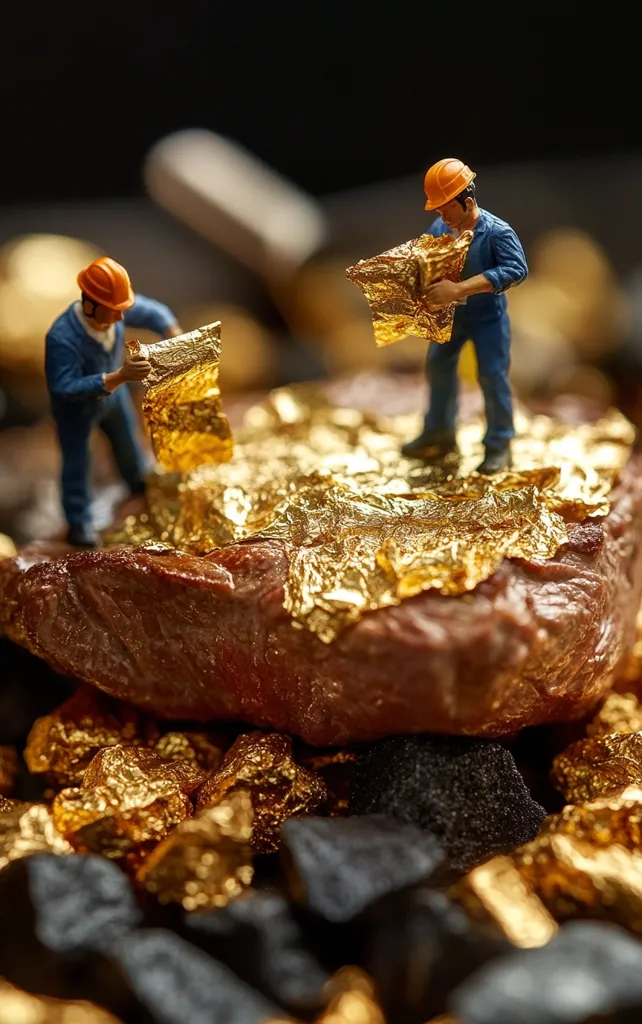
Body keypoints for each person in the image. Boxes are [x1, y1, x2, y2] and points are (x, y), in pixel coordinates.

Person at [45, 256, 183, 547]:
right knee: (77, 464)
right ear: (90, 304)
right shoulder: (62, 338)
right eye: (114, 311)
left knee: (127, 438)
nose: (121, 318)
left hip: (114, 396)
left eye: (122, 310)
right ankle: (79, 523)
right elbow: (63, 386)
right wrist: (119, 375)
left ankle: (136, 480)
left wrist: (169, 328)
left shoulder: (111, 311)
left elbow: (149, 310)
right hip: (77, 411)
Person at [402, 158, 528, 474]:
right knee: (438, 366)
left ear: (466, 202)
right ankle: (440, 431)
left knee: (491, 376)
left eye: (445, 207)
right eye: (437, 209)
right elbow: (427, 253)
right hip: (450, 318)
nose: (440, 215)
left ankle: (499, 444)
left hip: (487, 319)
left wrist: (458, 290)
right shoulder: (441, 226)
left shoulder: (497, 233)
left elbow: (516, 270)